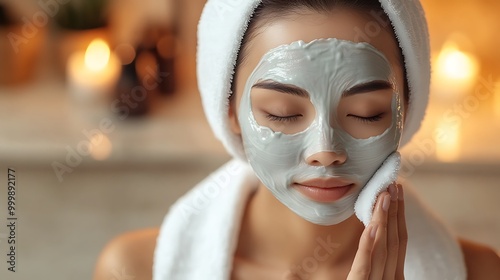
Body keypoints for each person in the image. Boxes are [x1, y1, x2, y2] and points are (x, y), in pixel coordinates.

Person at [93, 0, 500, 279]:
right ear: (230, 110)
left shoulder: (480, 273)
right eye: (282, 113)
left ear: (406, 111)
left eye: (366, 112)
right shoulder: (133, 269)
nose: (325, 150)